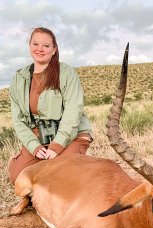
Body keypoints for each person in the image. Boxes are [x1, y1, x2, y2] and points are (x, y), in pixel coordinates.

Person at [8, 27, 92, 184]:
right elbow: (17, 120)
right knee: (18, 177)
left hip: (69, 136)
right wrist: (34, 146)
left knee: (60, 176)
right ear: (29, 46)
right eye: (35, 44)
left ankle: (77, 161)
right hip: (39, 139)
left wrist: (57, 145)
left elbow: (73, 111)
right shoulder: (18, 78)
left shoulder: (67, 73)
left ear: (54, 50)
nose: (40, 49)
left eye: (46, 46)